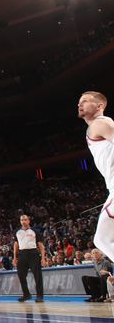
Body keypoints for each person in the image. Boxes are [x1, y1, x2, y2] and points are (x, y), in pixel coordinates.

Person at [79, 92, 114, 261]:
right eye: (79, 102)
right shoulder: (95, 127)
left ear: (99, 106)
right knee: (102, 239)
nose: (80, 104)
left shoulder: (99, 124)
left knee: (102, 239)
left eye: (85, 101)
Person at [13, 214, 46, 302]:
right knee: (21, 275)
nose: (23, 221)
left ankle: (39, 296)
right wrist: (14, 258)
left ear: (28, 221)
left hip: (33, 254)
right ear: (20, 221)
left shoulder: (35, 231)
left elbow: (41, 246)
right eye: (21, 220)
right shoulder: (17, 232)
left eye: (25, 220)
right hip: (22, 254)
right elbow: (16, 245)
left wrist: (43, 258)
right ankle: (26, 294)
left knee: (37, 276)